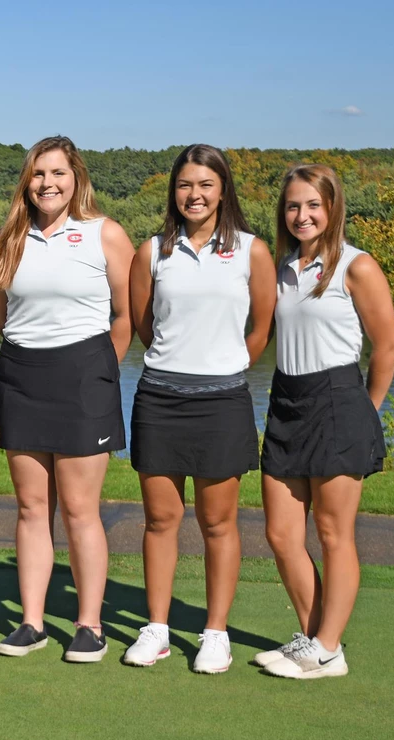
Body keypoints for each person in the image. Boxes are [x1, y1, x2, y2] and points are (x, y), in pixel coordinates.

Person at [125, 144, 276, 673]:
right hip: (160, 398)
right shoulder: (151, 252)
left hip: (222, 401)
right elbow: (145, 326)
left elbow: (260, 329)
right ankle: (158, 628)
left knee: (218, 523)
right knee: (161, 520)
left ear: (223, 190)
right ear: (175, 191)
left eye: (205, 185)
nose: (195, 194)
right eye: (186, 185)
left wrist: (223, 365)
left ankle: (215, 633)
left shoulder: (252, 251)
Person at [0, 137, 135, 661]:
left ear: (77, 179)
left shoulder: (105, 234)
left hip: (83, 378)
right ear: (27, 182)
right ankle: (31, 622)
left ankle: (89, 625)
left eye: (58, 174)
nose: (48, 184)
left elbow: (126, 314)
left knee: (78, 508)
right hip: (24, 375)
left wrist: (98, 371)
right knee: (31, 507)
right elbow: (0, 309)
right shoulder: (9, 238)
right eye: (38, 174)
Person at [256, 165, 394, 679]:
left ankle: (329, 646)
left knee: (334, 533)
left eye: (313, 205)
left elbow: (387, 346)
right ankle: (315, 641)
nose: (302, 215)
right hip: (287, 400)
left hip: (339, 399)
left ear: (333, 208)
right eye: (293, 206)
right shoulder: (281, 268)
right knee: (280, 533)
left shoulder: (356, 267)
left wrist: (366, 410)